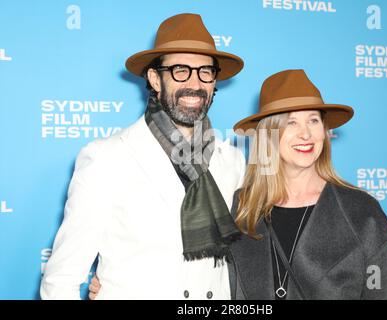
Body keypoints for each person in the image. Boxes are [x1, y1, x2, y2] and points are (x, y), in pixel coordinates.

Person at [40, 13, 246, 300]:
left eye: (205, 71)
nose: (195, 83)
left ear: (214, 81)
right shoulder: (106, 158)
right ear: (155, 78)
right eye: (180, 71)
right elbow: (61, 279)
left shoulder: (233, 161)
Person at [227, 69, 387, 300]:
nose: (306, 134)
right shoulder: (243, 208)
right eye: (291, 122)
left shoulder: (360, 211)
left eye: (313, 120)